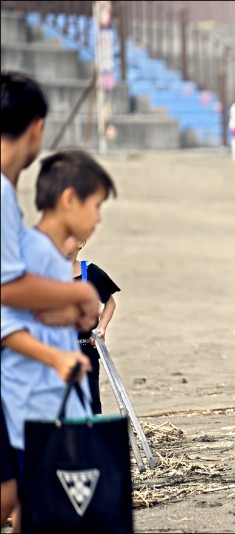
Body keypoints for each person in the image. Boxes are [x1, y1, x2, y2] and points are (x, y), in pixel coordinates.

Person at [0, 71, 97, 529]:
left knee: (19, 490)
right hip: (20, 386)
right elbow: (5, 289)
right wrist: (78, 291)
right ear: (36, 127)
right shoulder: (1, 193)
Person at [68, 238, 121, 414]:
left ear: (80, 243)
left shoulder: (91, 272)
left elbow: (110, 303)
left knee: (90, 400)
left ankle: (91, 436)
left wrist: (102, 328)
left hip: (85, 347)